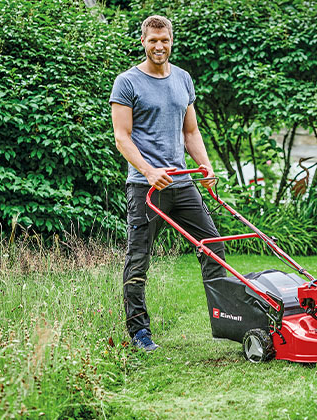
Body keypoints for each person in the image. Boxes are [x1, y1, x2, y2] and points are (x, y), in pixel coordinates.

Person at [109, 15, 226, 351]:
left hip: (180, 183)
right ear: (143, 41)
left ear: (171, 41)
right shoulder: (127, 82)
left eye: (164, 40)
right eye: (152, 40)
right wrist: (148, 171)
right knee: (138, 257)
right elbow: (122, 137)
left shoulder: (183, 79)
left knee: (213, 248)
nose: (159, 46)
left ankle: (224, 317)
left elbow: (190, 131)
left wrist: (204, 166)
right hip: (146, 188)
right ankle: (139, 333)